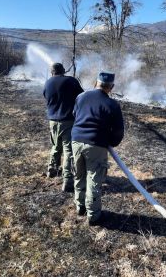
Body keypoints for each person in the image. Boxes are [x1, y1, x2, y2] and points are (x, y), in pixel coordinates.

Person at [71, 71, 124, 225]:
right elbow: (119, 131)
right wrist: (112, 142)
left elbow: (75, 114)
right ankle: (93, 216)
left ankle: (80, 207)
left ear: (96, 83)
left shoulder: (81, 97)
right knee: (94, 180)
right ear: (111, 87)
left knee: (79, 175)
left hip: (75, 141)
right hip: (96, 145)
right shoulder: (112, 104)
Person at [43, 62, 83, 191]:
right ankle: (67, 180)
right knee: (68, 151)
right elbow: (81, 97)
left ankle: (52, 170)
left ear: (52, 72)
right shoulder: (71, 81)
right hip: (68, 121)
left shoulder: (47, 83)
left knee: (55, 145)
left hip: (53, 121)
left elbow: (46, 97)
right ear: (64, 71)